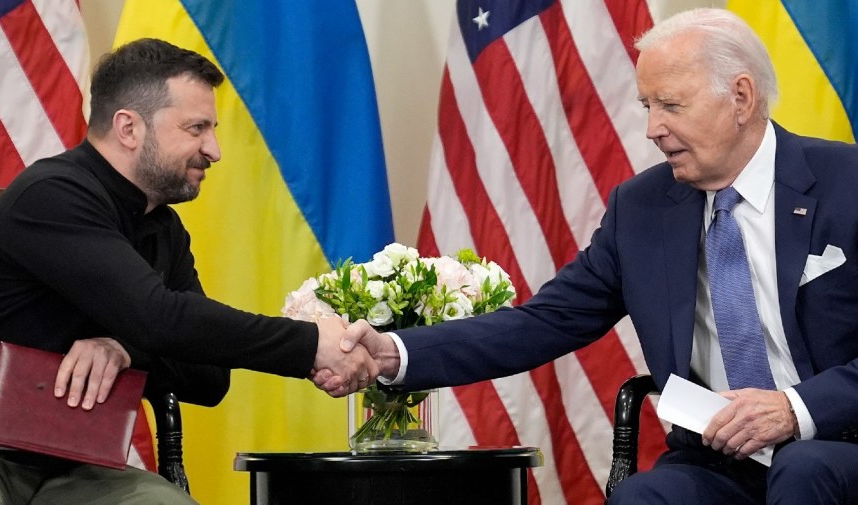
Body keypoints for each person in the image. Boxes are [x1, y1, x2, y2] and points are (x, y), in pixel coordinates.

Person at [320, 8, 858, 505]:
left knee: (805, 468)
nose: (653, 130)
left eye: (671, 105)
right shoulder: (643, 208)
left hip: (839, 440)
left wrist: (794, 409)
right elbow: (543, 322)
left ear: (741, 97)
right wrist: (395, 353)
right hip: (720, 460)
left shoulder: (846, 184)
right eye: (648, 107)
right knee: (641, 498)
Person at [0, 38, 375, 504]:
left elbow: (208, 379)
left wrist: (123, 348)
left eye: (211, 129)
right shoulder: (52, 195)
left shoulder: (163, 228)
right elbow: (159, 317)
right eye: (196, 128)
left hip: (74, 466)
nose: (214, 150)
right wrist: (310, 343)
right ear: (129, 127)